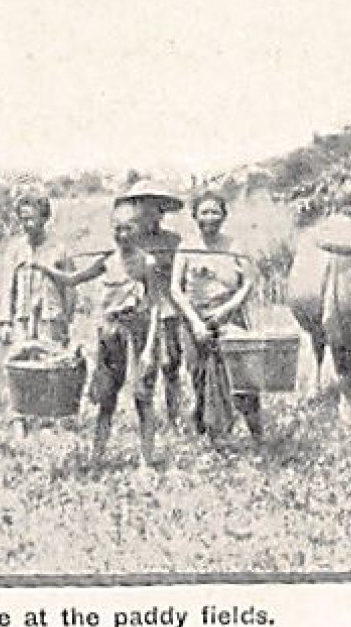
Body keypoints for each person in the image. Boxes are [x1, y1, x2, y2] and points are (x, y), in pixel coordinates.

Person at [32, 199, 162, 466]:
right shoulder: (107, 262)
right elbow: (73, 279)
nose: (123, 235)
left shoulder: (146, 262)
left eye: (129, 228)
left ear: (139, 229)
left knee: (142, 397)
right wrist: (45, 268)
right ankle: (96, 457)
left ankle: (146, 461)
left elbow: (157, 306)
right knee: (106, 397)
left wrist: (149, 348)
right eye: (118, 229)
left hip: (138, 332)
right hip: (110, 333)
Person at [170, 189, 263, 440]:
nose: (209, 217)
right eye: (204, 212)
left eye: (215, 212)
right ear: (195, 216)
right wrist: (194, 321)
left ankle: (258, 436)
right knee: (199, 378)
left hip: (230, 316)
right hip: (194, 319)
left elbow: (248, 283)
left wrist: (226, 310)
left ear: (224, 215)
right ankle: (210, 433)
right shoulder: (186, 247)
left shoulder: (235, 246)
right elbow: (175, 290)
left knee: (243, 378)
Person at [115, 180, 186, 428]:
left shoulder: (174, 241)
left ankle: (174, 417)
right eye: (143, 208)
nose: (149, 214)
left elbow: (181, 275)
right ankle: (146, 418)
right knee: (144, 366)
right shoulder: (130, 239)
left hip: (169, 307)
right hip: (142, 311)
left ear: (162, 212)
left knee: (171, 364)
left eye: (154, 208)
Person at [0, 188, 75, 349]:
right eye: (23, 219)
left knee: (51, 363)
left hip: (51, 320)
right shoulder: (15, 250)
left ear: (44, 218)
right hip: (23, 321)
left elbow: (70, 288)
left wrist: (67, 319)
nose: (27, 224)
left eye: (31, 219)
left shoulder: (59, 249)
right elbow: (7, 288)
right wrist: (5, 322)